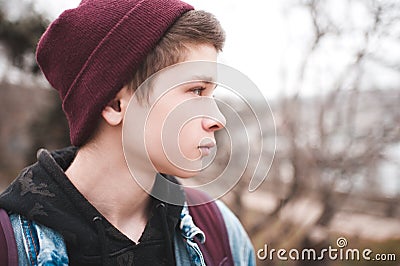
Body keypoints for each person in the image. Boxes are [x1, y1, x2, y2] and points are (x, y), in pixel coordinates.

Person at [0, 0, 255, 265]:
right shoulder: (9, 247)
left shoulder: (221, 233)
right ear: (115, 104)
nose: (218, 119)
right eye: (196, 90)